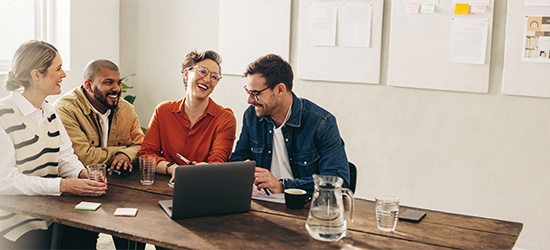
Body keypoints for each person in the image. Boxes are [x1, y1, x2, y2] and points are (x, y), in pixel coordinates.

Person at [0, 40, 107, 249]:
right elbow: (5, 180)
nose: (64, 74)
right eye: (58, 69)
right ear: (36, 75)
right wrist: (62, 185)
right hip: (16, 223)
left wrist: (82, 174)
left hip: (52, 212)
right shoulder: (4, 115)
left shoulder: (49, 111)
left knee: (88, 231)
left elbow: (64, 155)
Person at [54, 59, 145, 249]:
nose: (117, 89)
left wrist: (127, 156)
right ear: (88, 85)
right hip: (78, 189)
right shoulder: (66, 109)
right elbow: (84, 157)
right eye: (108, 82)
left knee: (135, 235)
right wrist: (121, 151)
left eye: (118, 82)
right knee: (79, 241)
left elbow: (141, 145)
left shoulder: (126, 109)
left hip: (121, 188)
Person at [229, 54, 350, 195]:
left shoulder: (322, 123)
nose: (250, 100)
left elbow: (338, 180)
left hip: (304, 208)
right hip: (263, 204)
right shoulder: (252, 116)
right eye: (248, 92)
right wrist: (244, 171)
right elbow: (238, 159)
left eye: (255, 93)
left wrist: (282, 186)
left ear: (280, 90)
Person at [138, 50, 236, 182]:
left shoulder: (225, 118)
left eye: (214, 77)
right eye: (202, 71)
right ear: (186, 74)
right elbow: (146, 154)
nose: (207, 79)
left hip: (204, 186)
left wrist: (206, 168)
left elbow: (217, 163)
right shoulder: (163, 111)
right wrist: (173, 168)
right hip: (164, 186)